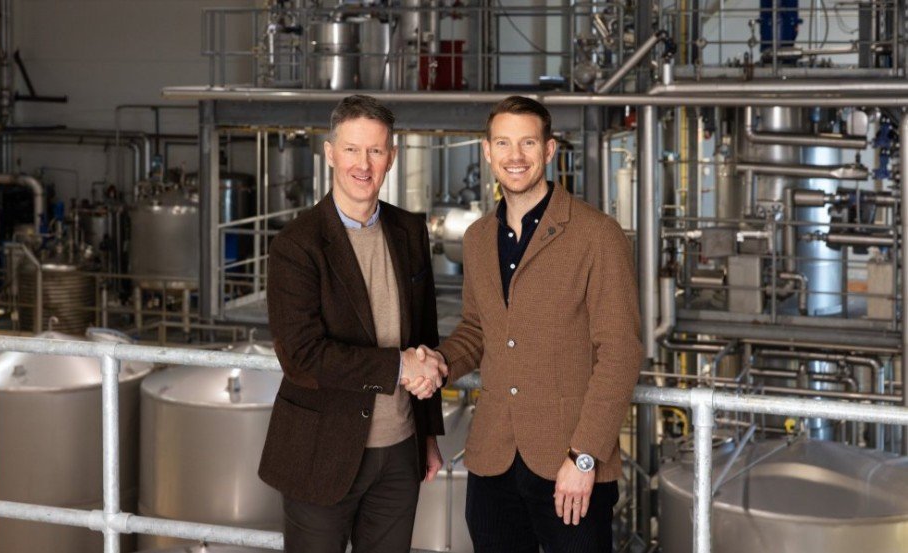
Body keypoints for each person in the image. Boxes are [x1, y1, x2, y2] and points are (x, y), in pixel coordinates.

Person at [411, 96, 643, 552]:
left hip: (569, 463)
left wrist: (583, 456)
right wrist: (438, 362)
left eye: (528, 143)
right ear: (487, 151)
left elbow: (620, 352)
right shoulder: (478, 238)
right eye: (503, 143)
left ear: (549, 150)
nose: (515, 156)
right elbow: (477, 329)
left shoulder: (597, 234)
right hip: (493, 460)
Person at [260, 94, 446, 553]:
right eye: (351, 150)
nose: (363, 165)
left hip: (400, 451)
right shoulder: (297, 244)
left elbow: (425, 332)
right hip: (321, 452)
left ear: (392, 157)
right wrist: (399, 367)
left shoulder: (409, 230)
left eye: (375, 151)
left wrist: (427, 434)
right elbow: (302, 357)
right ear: (330, 153)